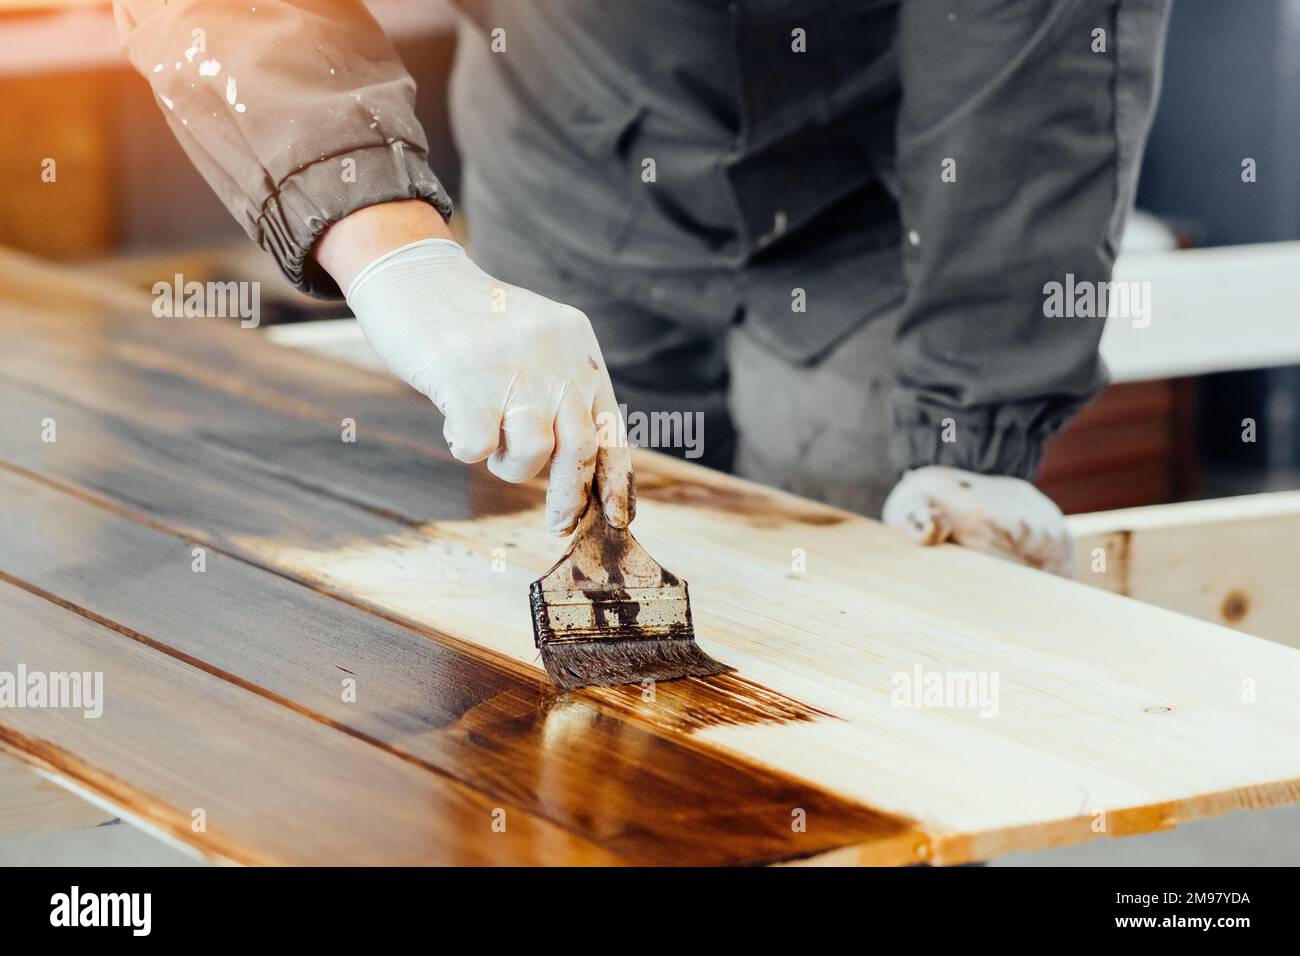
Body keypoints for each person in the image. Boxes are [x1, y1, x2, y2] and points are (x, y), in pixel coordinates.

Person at [112, 0, 1170, 575]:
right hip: (570, 147)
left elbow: (1036, 46)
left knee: (885, 623)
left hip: (877, 184)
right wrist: (394, 253)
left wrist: (973, 428)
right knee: (560, 636)